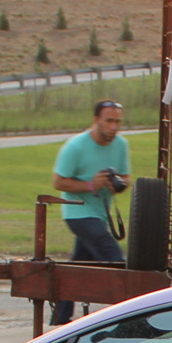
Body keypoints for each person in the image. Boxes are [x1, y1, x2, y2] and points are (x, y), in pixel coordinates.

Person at [48, 99, 132, 326]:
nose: (113, 127)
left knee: (79, 263)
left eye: (117, 122)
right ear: (96, 120)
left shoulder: (121, 145)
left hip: (100, 214)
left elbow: (126, 177)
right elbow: (58, 182)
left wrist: (117, 184)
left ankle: (60, 316)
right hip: (77, 213)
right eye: (109, 121)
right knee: (113, 258)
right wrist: (91, 185)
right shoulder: (75, 147)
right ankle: (127, 314)